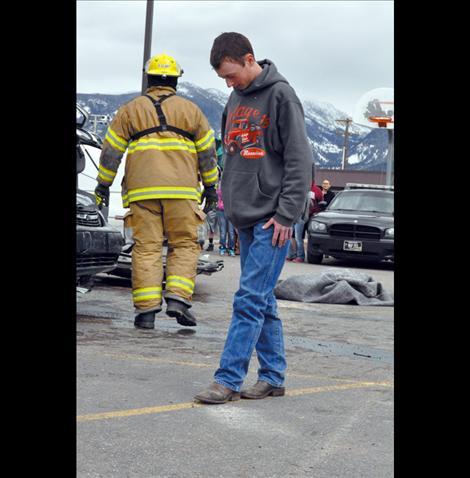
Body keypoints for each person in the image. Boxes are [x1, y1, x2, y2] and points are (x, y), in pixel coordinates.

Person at [194, 32, 312, 404]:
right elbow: (233, 154)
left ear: (249, 59)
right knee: (262, 300)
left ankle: (227, 379)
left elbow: (299, 160)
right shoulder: (234, 98)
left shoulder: (281, 96)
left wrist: (286, 215)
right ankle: (273, 377)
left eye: (231, 75)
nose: (229, 83)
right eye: (223, 79)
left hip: (271, 220)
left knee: (248, 299)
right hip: (243, 215)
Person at [94, 53, 218, 329]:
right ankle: (177, 299)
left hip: (142, 191)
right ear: (175, 81)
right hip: (182, 191)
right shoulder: (191, 111)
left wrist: (103, 183)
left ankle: (146, 313)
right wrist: (210, 187)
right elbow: (208, 154)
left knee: (147, 248)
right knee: (184, 244)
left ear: (148, 78)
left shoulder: (131, 109)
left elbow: (111, 151)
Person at [286, 166, 323, 263]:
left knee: (299, 237)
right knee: (290, 236)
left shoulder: (314, 190)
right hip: (293, 216)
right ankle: (291, 254)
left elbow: (316, 203)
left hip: (303, 217)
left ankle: (300, 256)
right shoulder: (298, 189)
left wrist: (313, 212)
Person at [216, 178, 236, 256]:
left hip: (231, 211)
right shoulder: (221, 182)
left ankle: (231, 248)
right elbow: (219, 193)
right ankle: (222, 247)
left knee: (231, 232)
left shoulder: (233, 183)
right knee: (223, 231)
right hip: (221, 210)